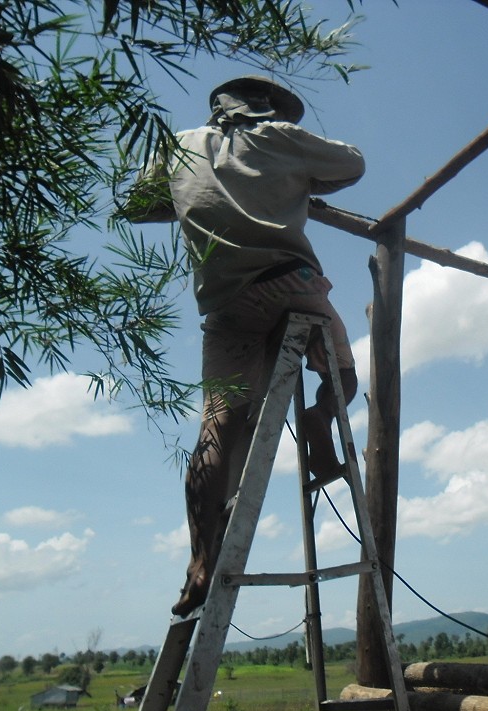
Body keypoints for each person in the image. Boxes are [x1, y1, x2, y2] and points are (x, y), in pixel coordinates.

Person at [130, 76, 365, 617]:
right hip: (291, 285)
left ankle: (198, 560)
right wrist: (297, 181)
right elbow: (353, 163)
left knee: (218, 426)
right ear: (262, 109)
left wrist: (199, 199)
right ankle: (320, 420)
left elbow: (138, 207)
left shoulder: (178, 148)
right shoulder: (277, 136)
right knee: (344, 377)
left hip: (226, 306)